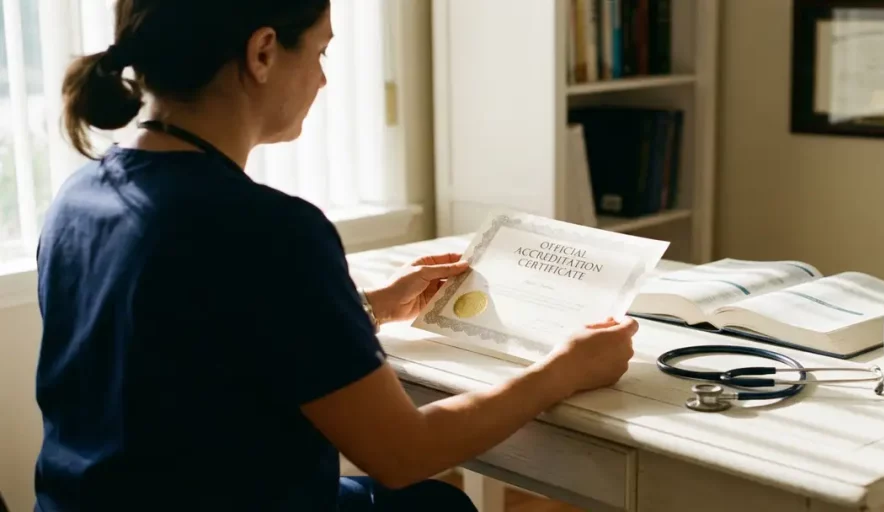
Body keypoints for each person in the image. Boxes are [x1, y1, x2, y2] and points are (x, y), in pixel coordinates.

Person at [33, 1, 639, 510]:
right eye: (320, 52)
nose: (323, 80)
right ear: (263, 51)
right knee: (432, 502)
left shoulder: (80, 197)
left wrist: (365, 307)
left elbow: (193, 343)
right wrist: (563, 371)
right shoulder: (268, 230)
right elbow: (405, 454)